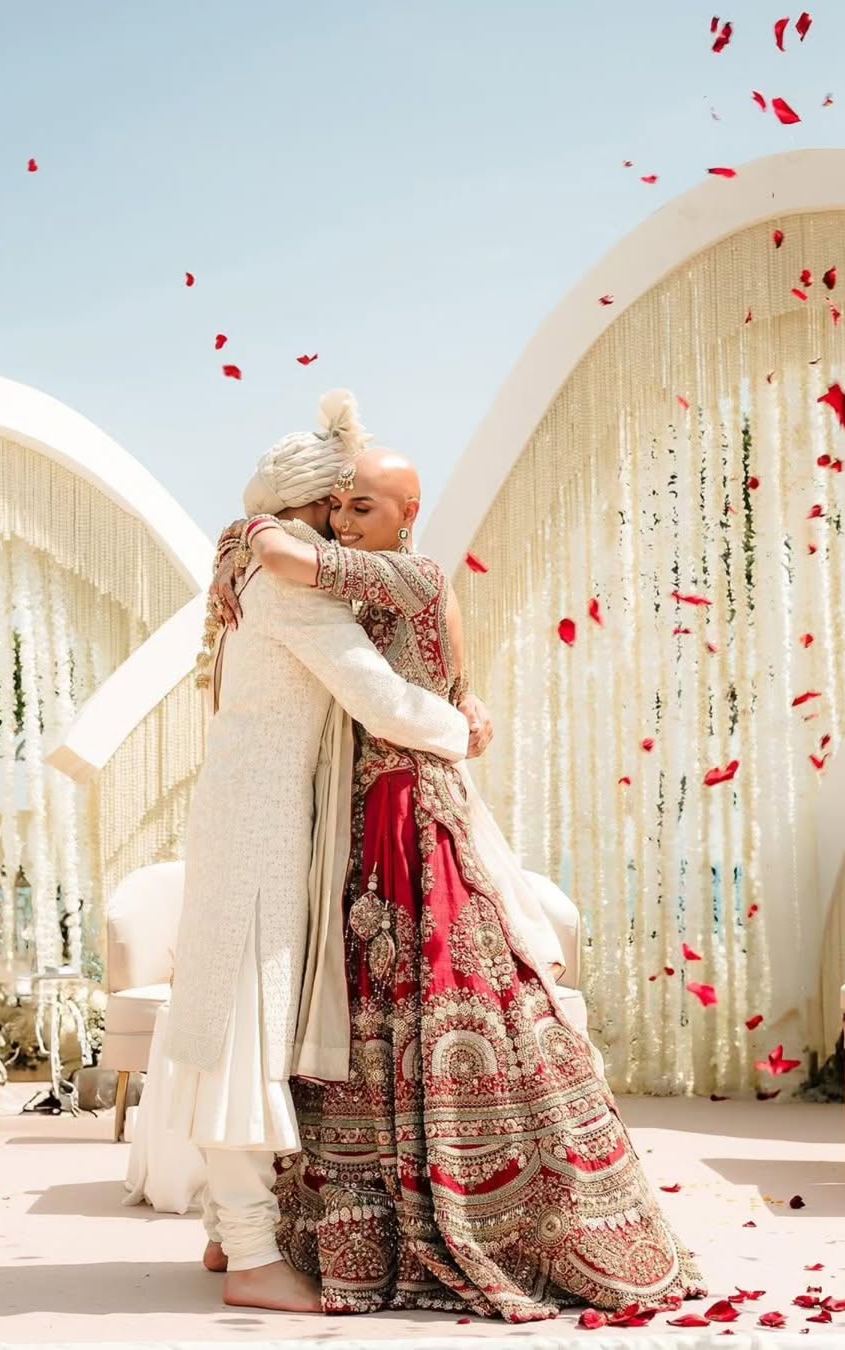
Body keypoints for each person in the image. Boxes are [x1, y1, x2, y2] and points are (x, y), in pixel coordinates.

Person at [243, 447, 708, 1322]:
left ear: (407, 513)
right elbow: (454, 683)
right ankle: (346, 1221)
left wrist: (255, 519)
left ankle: (502, 1215)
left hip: (409, 806)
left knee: (452, 983)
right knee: (373, 996)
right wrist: (468, 712)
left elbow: (283, 560)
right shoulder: (392, 583)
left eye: (365, 508)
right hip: (375, 804)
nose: (345, 524)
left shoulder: (408, 575)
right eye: (340, 508)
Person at [124, 392, 479, 1315]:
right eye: (340, 507)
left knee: (228, 1023)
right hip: (265, 827)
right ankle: (249, 1255)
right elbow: (384, 703)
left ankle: (221, 1233)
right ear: (316, 509)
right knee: (246, 1026)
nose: (346, 529)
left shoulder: (246, 571)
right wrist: (466, 732)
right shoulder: (289, 584)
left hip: (249, 815)